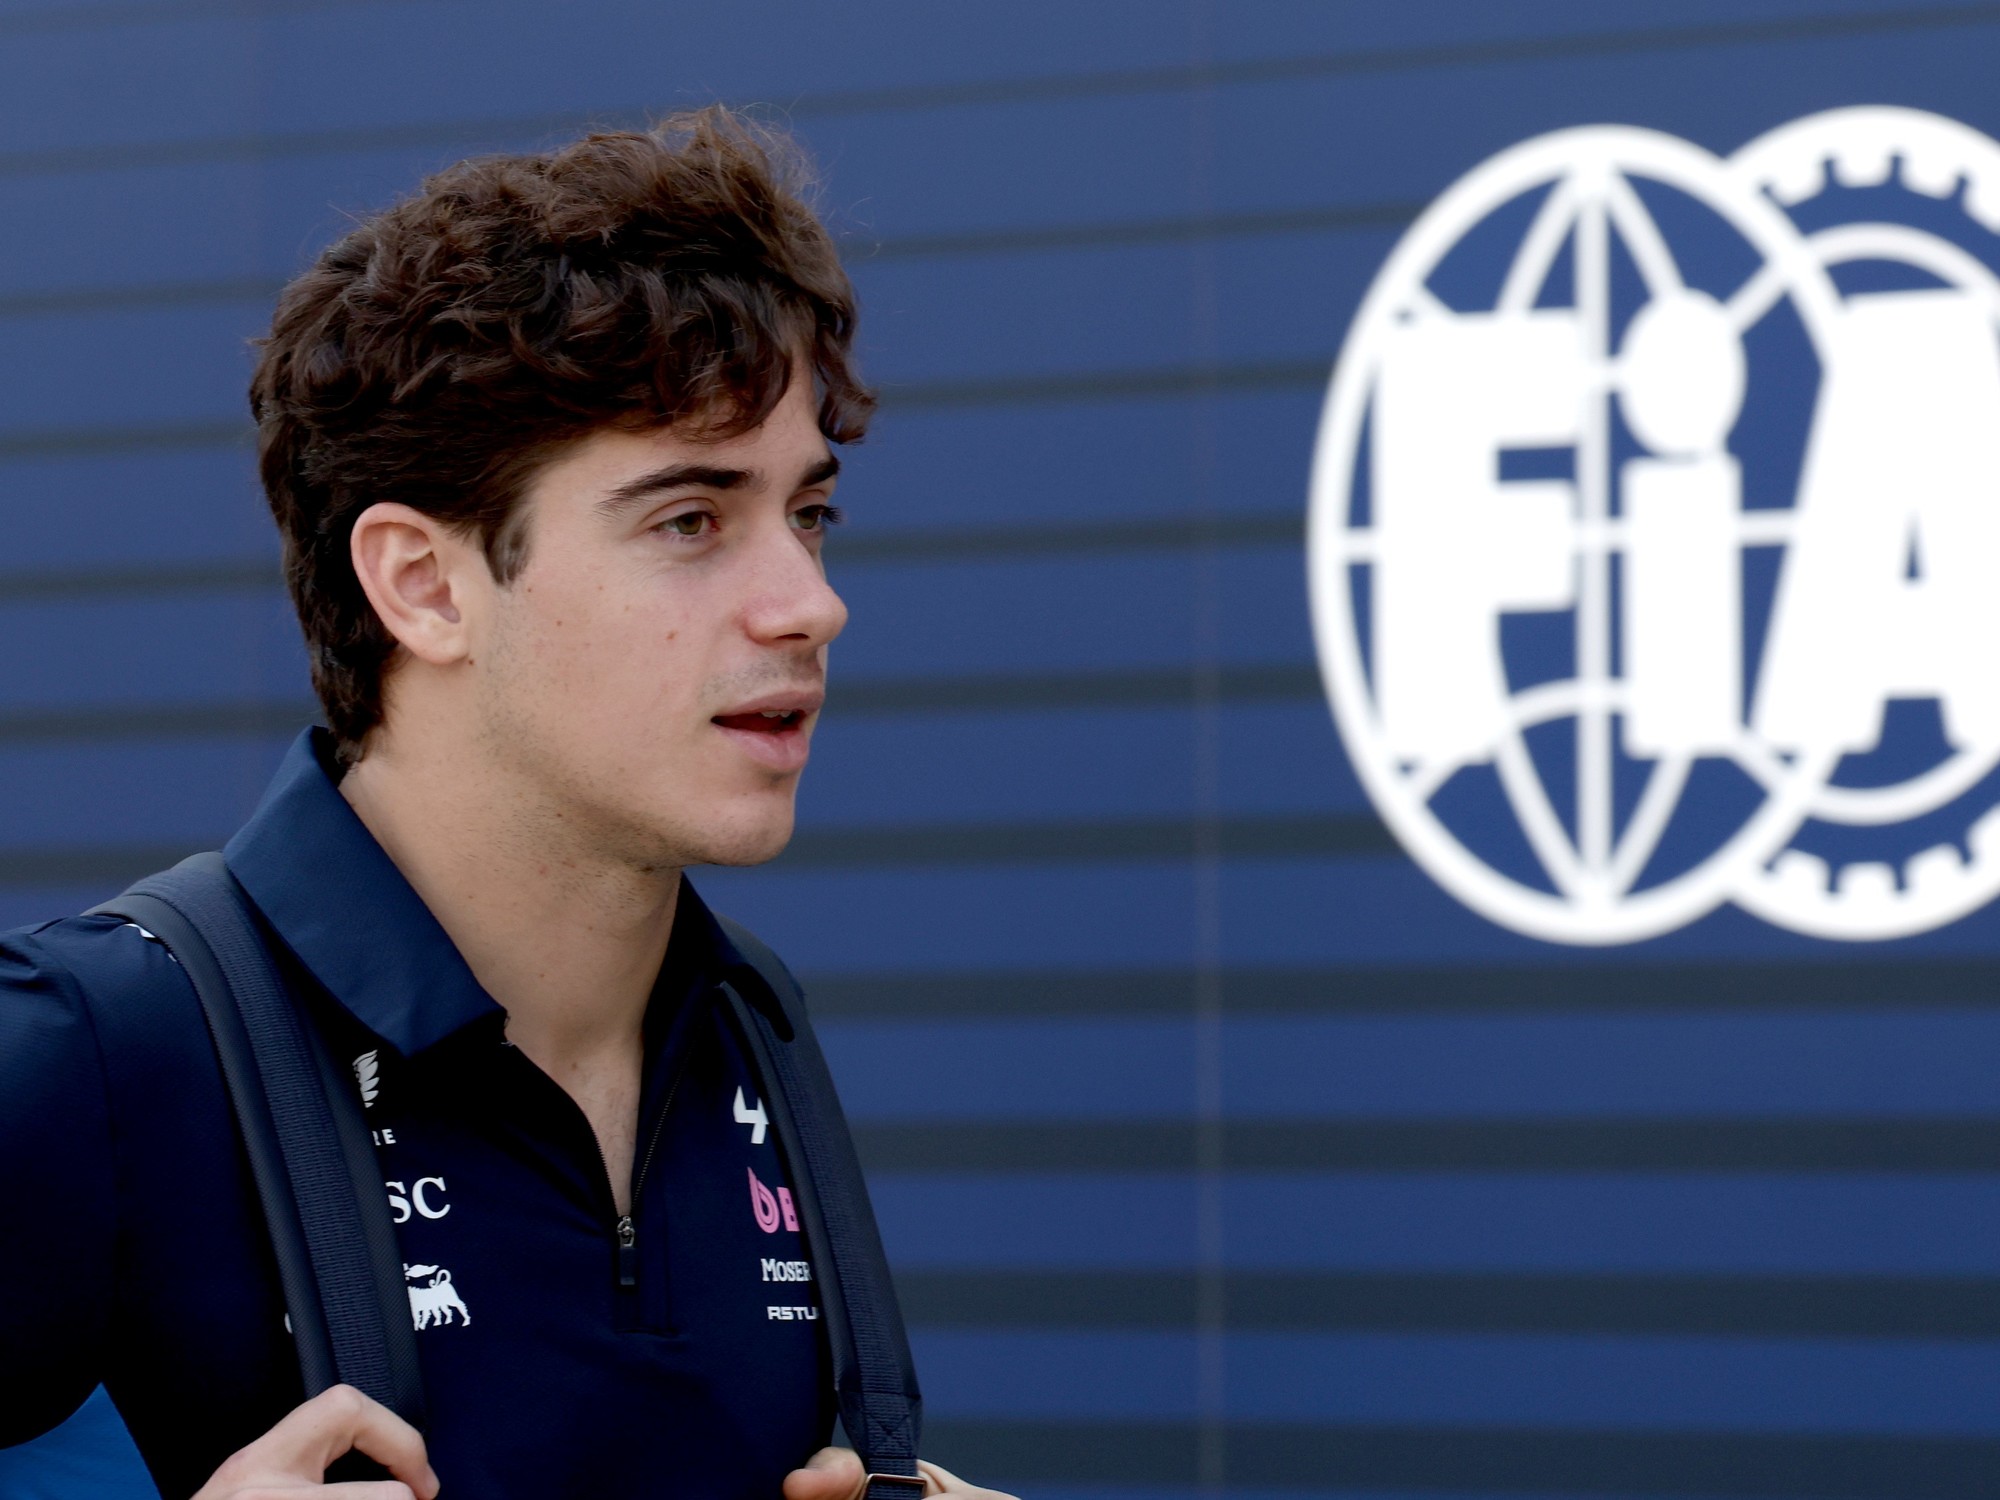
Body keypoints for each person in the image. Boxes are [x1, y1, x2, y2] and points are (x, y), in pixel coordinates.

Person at [0, 109, 1008, 1500]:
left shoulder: (750, 1030)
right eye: (691, 521)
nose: (810, 604)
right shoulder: (90, 1054)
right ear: (423, 585)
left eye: (809, 516)